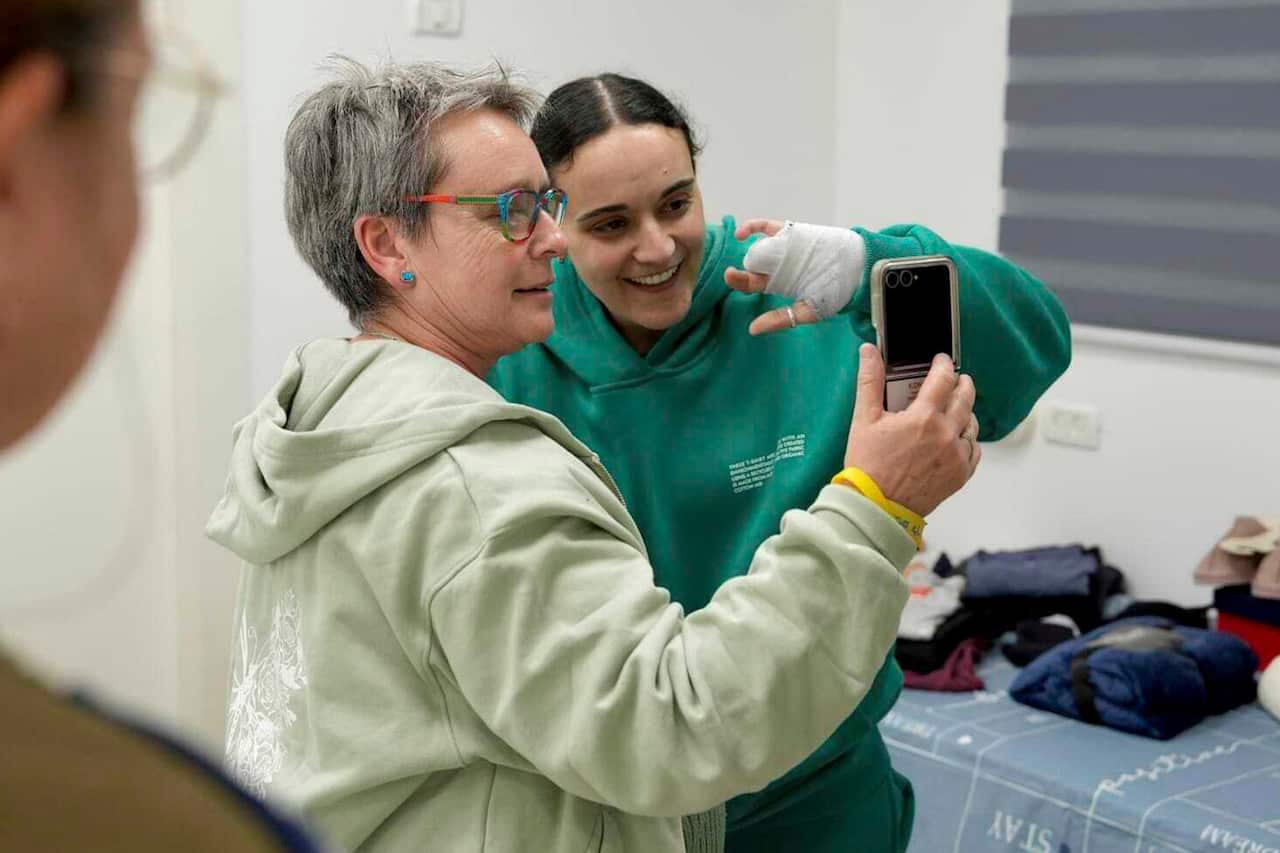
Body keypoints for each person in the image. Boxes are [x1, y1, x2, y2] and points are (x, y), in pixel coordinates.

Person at [207, 58, 982, 853]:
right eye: (512, 211)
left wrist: (865, 259)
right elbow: (677, 726)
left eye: (545, 204)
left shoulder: (327, 429)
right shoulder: (472, 483)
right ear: (385, 243)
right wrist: (873, 507)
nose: (552, 239)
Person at [487, 72, 1073, 853]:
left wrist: (875, 259)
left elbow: (1037, 346)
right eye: (610, 224)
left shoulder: (795, 294)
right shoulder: (512, 352)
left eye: (675, 203)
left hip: (817, 790)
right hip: (614, 802)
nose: (657, 248)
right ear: (555, 222)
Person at [0, 1, 320, 850]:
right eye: (138, 113)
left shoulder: (294, 427)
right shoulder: (125, 817)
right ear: (13, 147)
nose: (546, 239)